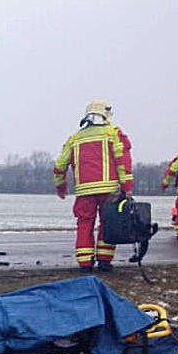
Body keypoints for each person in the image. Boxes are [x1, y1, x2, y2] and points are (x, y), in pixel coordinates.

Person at [53, 100, 134, 272]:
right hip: (109, 189)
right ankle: (104, 261)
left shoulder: (75, 138)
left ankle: (85, 263)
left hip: (84, 191)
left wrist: (61, 187)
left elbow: (60, 165)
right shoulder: (113, 133)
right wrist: (127, 187)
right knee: (108, 223)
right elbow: (123, 162)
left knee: (84, 223)